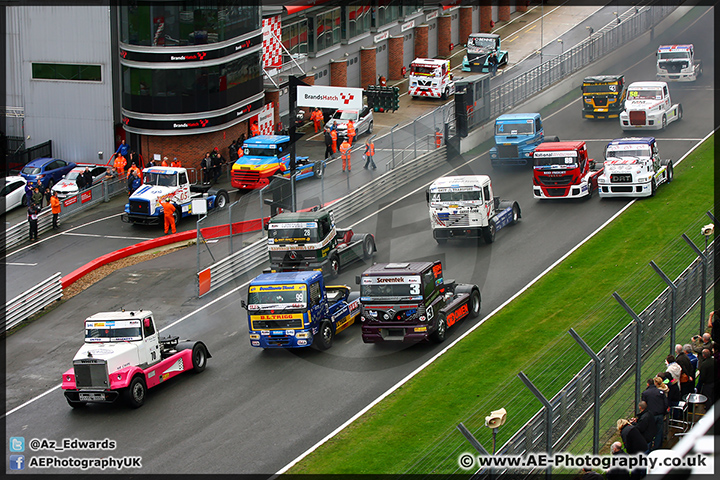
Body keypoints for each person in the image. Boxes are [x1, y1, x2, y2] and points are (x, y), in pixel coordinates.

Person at [641, 377, 667, 451]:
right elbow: (665, 403)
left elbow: (644, 405)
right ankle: (657, 447)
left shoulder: (645, 393)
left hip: (650, 416)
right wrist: (664, 412)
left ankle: (648, 448)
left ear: (648, 384)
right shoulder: (660, 392)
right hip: (660, 414)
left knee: (649, 432)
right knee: (659, 432)